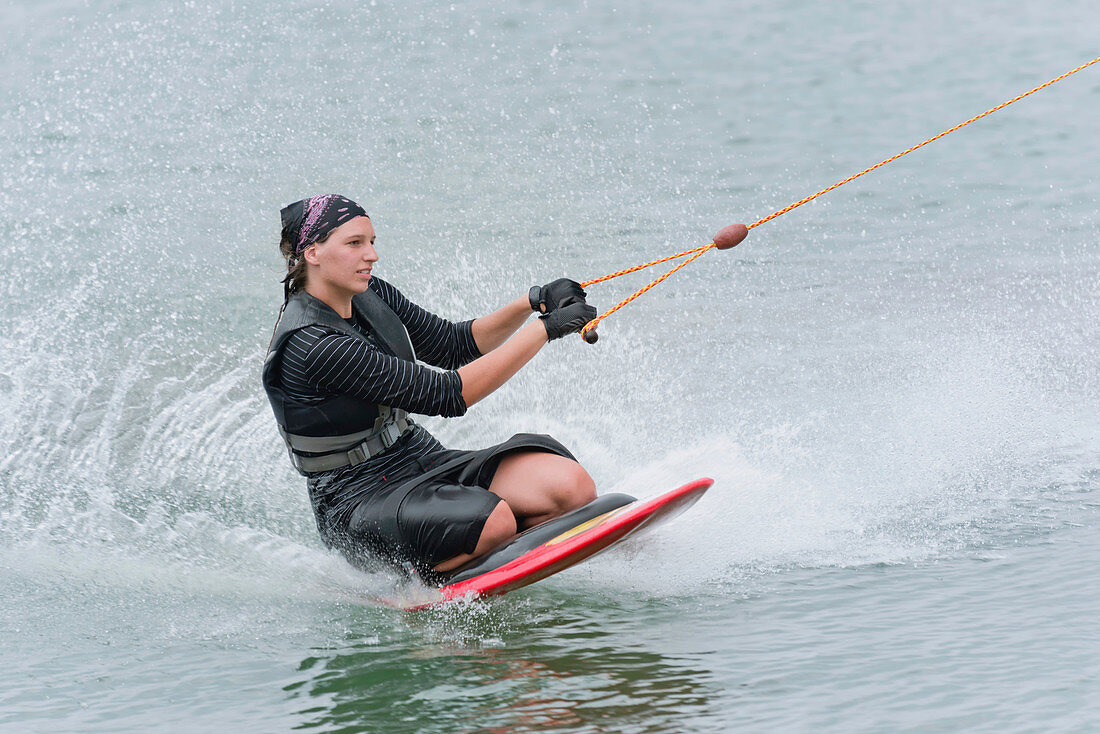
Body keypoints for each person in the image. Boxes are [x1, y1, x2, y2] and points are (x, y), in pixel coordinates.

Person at [262, 194, 600, 583]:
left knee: (572, 487)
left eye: (371, 241)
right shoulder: (314, 344)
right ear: (313, 253)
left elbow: (452, 344)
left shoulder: (371, 294)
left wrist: (532, 301)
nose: (371, 255)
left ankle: (482, 550)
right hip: (355, 498)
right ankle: (417, 584)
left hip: (417, 457)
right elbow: (449, 394)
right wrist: (546, 330)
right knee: (493, 522)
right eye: (355, 243)